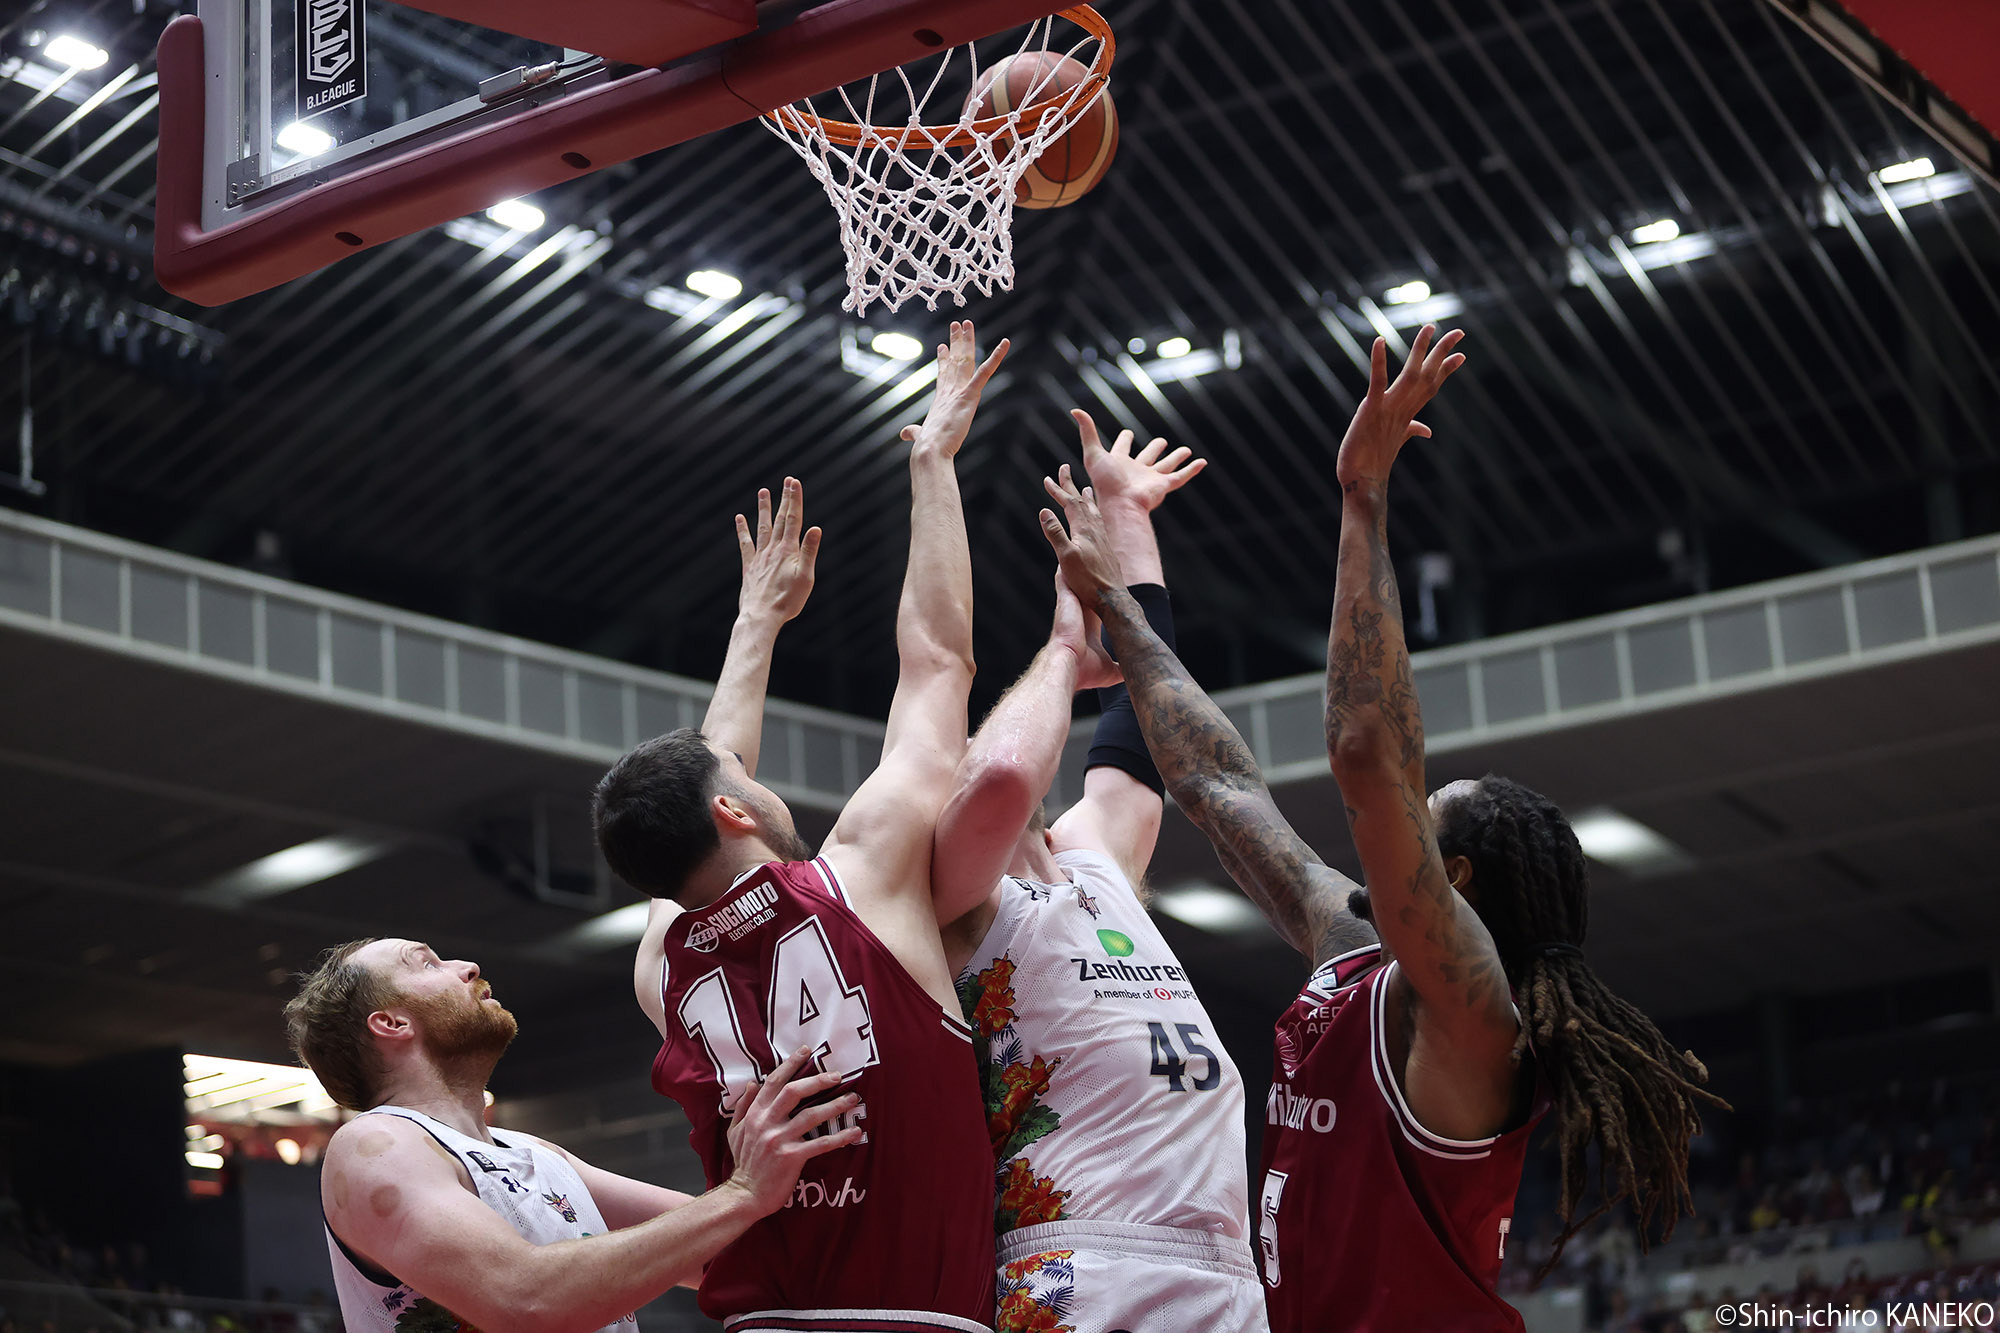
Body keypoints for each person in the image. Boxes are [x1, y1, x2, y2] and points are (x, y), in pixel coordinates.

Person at [1037, 325, 1722, 1332]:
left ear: (1454, 880)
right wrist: (1125, 598)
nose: (1402, 815)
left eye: (1424, 814)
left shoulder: (1473, 1018)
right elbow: (1215, 784)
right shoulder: (1355, 950)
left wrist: (1364, 499)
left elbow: (1366, 751)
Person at [594, 322, 1007, 1332]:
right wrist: (934, 464)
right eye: (743, 775)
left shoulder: (665, 965)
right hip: (906, 1320)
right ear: (734, 809)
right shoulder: (859, 879)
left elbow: (705, 776)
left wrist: (756, 623)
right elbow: (938, 662)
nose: (752, 770)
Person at [932, 413, 1268, 1333]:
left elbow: (1149, 706)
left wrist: (1127, 518)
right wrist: (1060, 644)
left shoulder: (1091, 858)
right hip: (1084, 1260)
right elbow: (1001, 776)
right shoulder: (957, 895)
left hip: (1223, 1265)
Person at [291, 937, 859, 1333]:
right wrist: (743, 1192)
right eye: (427, 963)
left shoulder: (531, 1153)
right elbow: (526, 1301)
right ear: (391, 1023)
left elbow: (727, 1252)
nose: (467, 966)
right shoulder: (376, 1144)